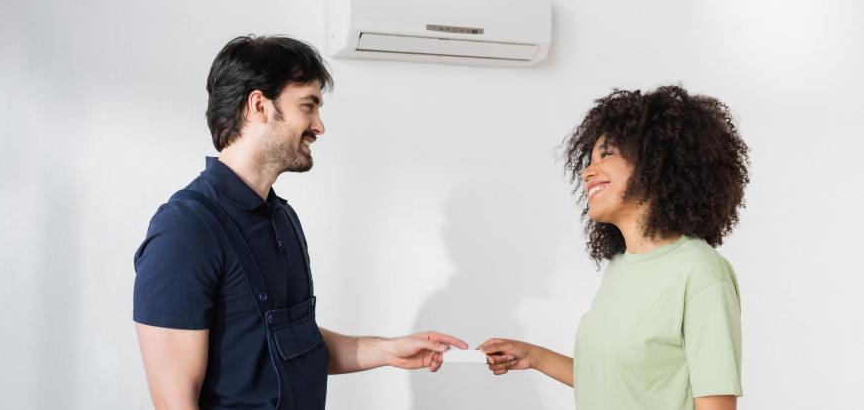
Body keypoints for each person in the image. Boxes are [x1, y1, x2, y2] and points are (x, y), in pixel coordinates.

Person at [133, 35, 466, 410]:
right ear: (259, 105)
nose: (318, 126)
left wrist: (388, 351)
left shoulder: (282, 218)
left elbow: (293, 343)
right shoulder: (185, 231)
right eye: (308, 106)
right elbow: (174, 403)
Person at [479, 86, 749, 410]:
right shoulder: (622, 266)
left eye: (606, 154)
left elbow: (715, 402)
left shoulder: (700, 271)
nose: (588, 171)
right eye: (589, 160)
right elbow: (616, 379)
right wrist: (534, 357)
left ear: (654, 163)